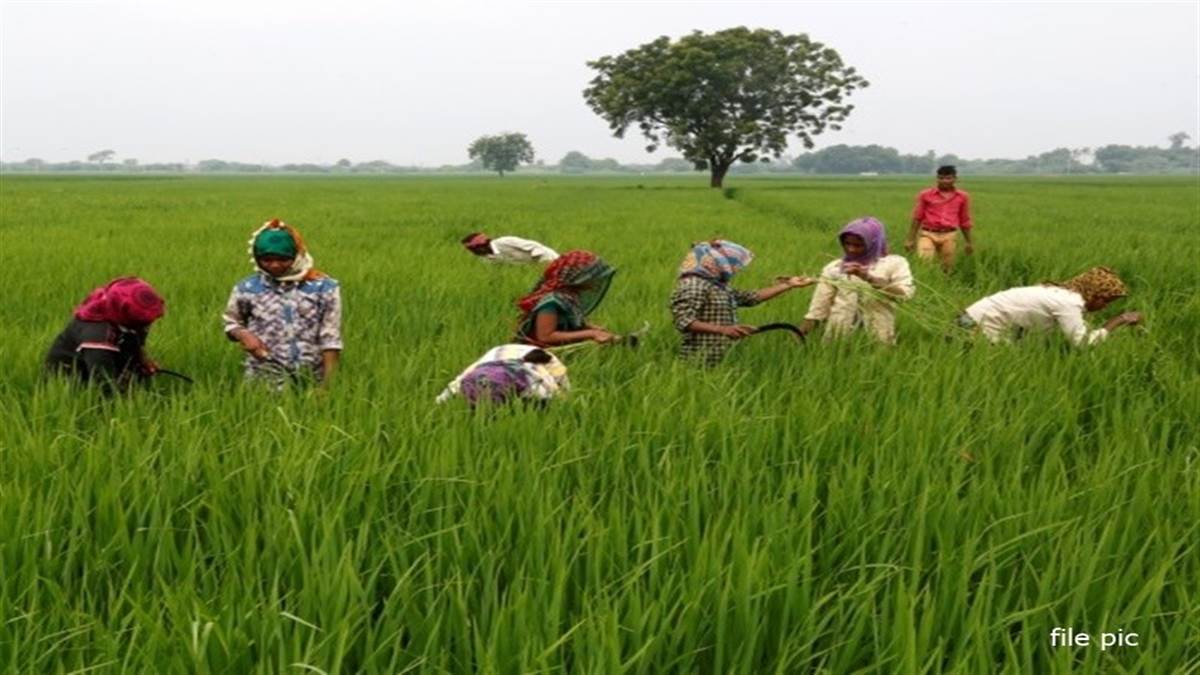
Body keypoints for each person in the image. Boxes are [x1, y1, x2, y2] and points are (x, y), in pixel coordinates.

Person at [222, 219, 343, 386]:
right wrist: (244, 335)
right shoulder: (247, 289)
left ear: (297, 255)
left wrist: (327, 386)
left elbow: (331, 337)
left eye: (283, 259)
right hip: (262, 377)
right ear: (256, 258)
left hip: (311, 377)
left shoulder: (323, 288)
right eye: (267, 260)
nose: (274, 265)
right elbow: (231, 322)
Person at [669, 239, 815, 366]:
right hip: (699, 358)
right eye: (731, 266)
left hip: (722, 357)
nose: (734, 270)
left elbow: (750, 297)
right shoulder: (693, 285)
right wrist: (723, 330)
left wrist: (789, 285)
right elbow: (683, 320)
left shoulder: (716, 286)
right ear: (715, 263)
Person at [800, 218, 915, 344]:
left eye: (858, 245)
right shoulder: (835, 268)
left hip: (879, 337)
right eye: (847, 244)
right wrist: (799, 336)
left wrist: (869, 278)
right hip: (837, 338)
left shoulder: (894, 264)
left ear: (873, 243)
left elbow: (904, 294)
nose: (851, 249)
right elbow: (818, 308)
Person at [959, 266, 1141, 346]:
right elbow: (1083, 344)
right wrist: (1118, 321)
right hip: (974, 329)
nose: (1105, 307)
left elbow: (1024, 326)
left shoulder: (1059, 293)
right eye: (1105, 300)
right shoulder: (1068, 304)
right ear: (1092, 293)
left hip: (965, 320)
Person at [44, 277, 165, 391]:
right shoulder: (96, 335)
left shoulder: (124, 314)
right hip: (72, 376)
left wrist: (142, 362)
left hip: (104, 356)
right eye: (144, 323)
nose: (147, 325)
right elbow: (104, 381)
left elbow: (136, 340)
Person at [515, 250, 617, 346]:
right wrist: (590, 333)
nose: (596, 281)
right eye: (592, 277)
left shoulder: (570, 296)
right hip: (539, 350)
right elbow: (545, 336)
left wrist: (590, 328)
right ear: (577, 277)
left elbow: (569, 320)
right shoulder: (551, 302)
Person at [435, 343, 569, 407]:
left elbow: (562, 399)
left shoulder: (536, 386)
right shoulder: (466, 380)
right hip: (500, 353)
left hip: (541, 358)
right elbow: (443, 397)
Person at [905, 165, 974, 270]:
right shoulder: (925, 195)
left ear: (955, 179)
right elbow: (917, 217)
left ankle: (944, 280)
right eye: (941, 178)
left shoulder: (962, 197)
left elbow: (964, 221)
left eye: (948, 178)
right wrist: (910, 239)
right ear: (937, 178)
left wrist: (969, 242)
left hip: (949, 235)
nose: (944, 181)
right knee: (924, 262)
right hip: (928, 234)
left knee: (947, 267)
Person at [462, 232, 559, 264]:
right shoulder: (486, 259)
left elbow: (535, 246)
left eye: (474, 249)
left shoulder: (505, 241)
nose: (474, 252)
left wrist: (539, 262)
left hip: (548, 259)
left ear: (482, 245)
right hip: (531, 268)